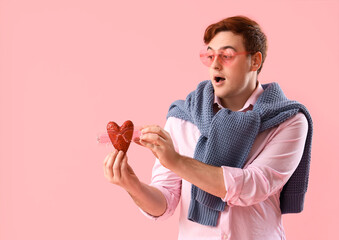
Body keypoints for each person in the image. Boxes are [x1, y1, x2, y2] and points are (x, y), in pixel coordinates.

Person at [103, 15, 313, 240]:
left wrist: (177, 161)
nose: (215, 64)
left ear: (255, 61)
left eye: (227, 55)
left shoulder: (288, 120)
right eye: (210, 55)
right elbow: (164, 203)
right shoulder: (183, 117)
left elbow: (254, 186)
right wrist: (132, 185)